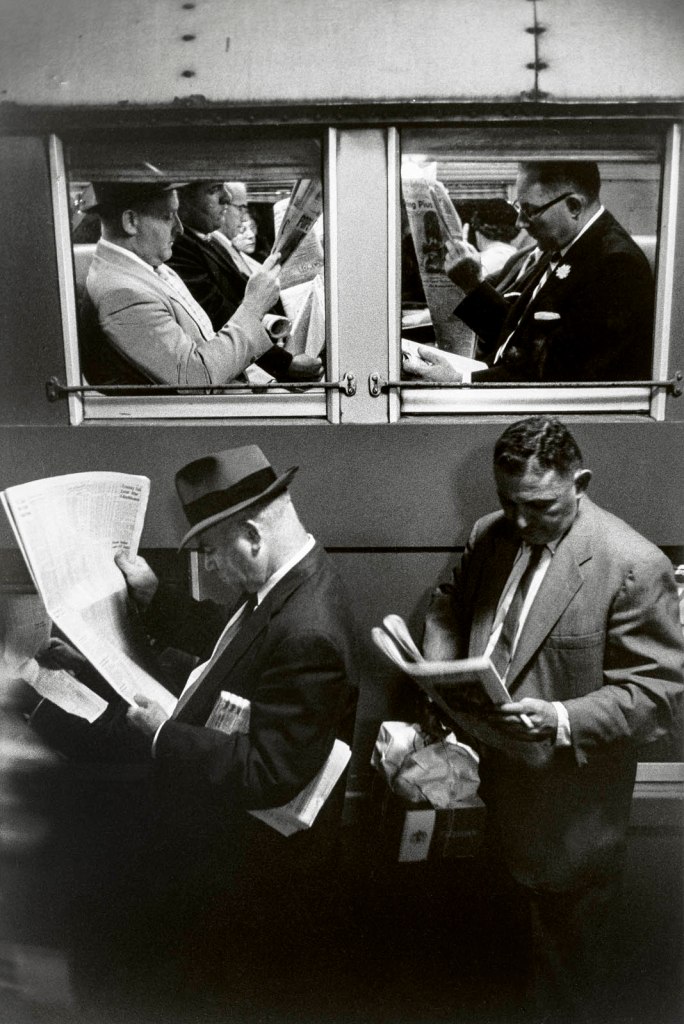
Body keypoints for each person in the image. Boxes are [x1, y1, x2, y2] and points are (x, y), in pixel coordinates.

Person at [32, 445, 359, 1018]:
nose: (208, 565)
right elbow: (229, 650)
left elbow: (272, 772)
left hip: (251, 878)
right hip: (231, 857)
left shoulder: (311, 633)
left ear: (253, 535)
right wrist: (153, 600)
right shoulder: (291, 581)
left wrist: (163, 735)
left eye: (210, 550)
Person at [421, 416, 683, 1024]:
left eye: (537, 506)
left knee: (563, 1002)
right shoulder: (492, 533)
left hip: (568, 835)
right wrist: (438, 674)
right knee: (492, 991)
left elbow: (662, 695)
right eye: (506, 502)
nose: (518, 522)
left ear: (580, 483)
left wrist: (562, 717)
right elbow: (447, 601)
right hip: (484, 815)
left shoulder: (633, 565)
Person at [403, 162, 655, 384]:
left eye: (530, 211)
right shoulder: (563, 244)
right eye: (518, 208)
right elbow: (517, 337)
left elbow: (559, 377)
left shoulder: (616, 266)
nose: (520, 223)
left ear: (574, 206)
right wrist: (472, 286)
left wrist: (462, 380)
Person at [79, 180, 284, 387]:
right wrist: (252, 307)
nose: (180, 228)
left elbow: (206, 342)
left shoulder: (146, 266)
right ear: (131, 221)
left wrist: (268, 383)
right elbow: (197, 378)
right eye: (168, 217)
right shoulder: (122, 294)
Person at [169, 180, 322, 382]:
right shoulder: (179, 248)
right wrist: (284, 364)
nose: (227, 196)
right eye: (214, 189)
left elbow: (236, 297)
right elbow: (218, 313)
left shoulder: (208, 240)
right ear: (180, 198)